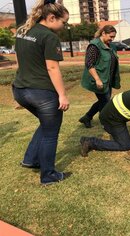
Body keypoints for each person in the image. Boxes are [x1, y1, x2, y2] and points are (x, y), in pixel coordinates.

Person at [12, 0, 71, 185]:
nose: (64, 26)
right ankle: (48, 176)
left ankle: (30, 160)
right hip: (42, 94)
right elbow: (52, 68)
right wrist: (62, 94)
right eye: (64, 22)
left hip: (20, 90)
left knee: (46, 125)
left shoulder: (23, 30)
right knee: (50, 133)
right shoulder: (49, 37)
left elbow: (19, 60)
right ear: (52, 17)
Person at [79, 25, 120, 128]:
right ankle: (106, 123)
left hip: (108, 79)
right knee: (106, 101)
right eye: (110, 36)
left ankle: (87, 117)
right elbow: (89, 64)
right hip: (99, 80)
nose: (112, 39)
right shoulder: (94, 46)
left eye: (113, 37)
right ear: (103, 33)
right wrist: (97, 79)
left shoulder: (110, 46)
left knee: (103, 100)